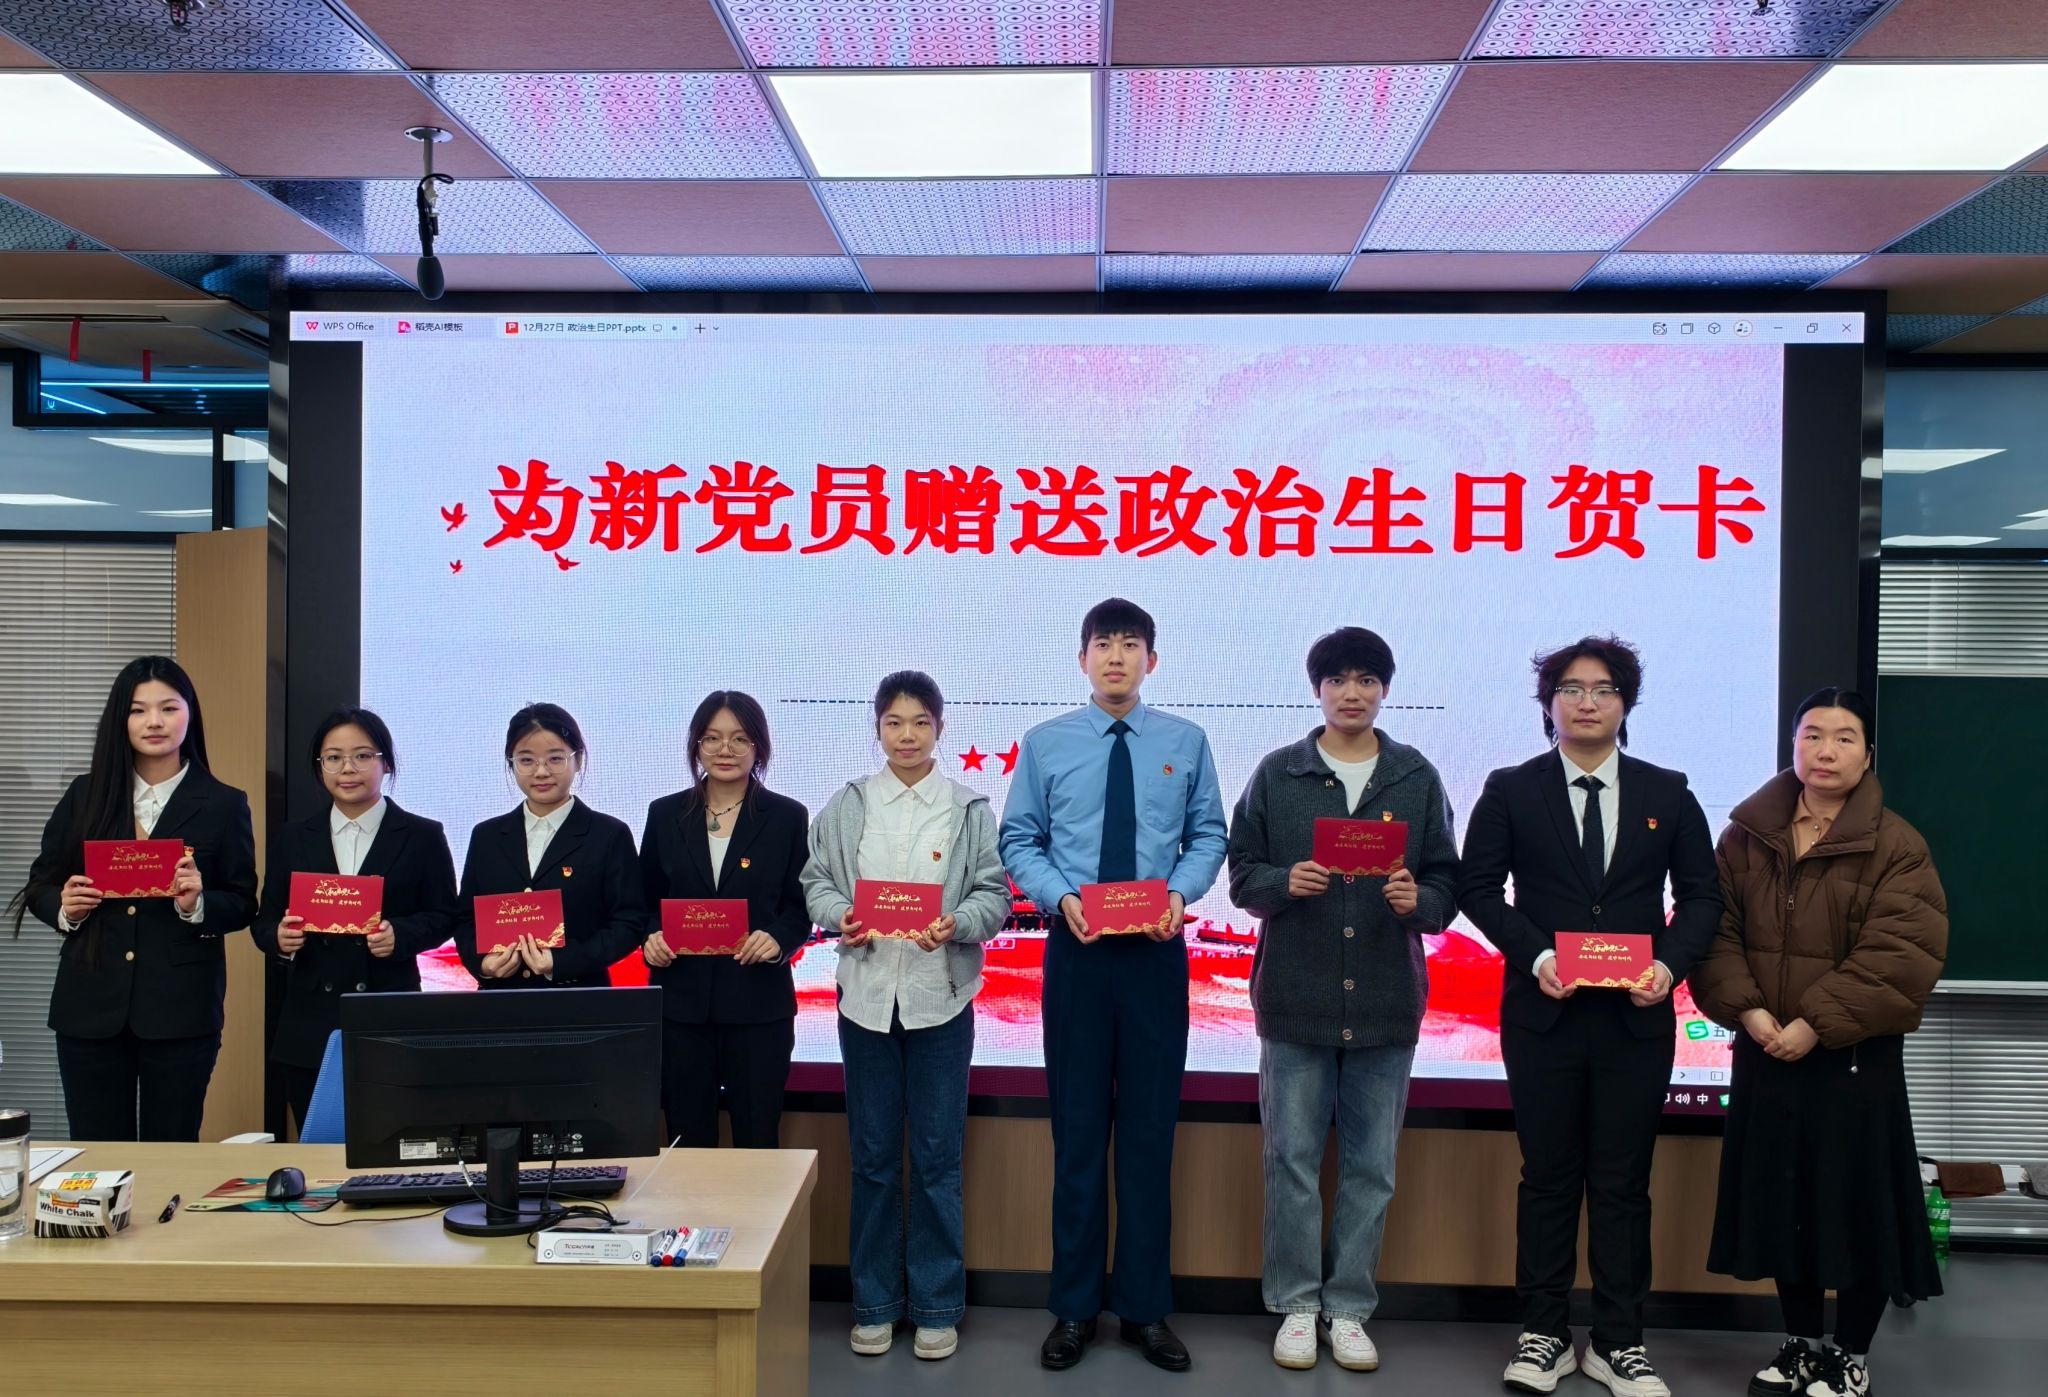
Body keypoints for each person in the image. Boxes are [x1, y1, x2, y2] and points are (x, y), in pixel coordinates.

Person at [1458, 636, 1721, 1397]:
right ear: (1548, 705)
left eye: (1603, 689)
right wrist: (1537, 955)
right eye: (1570, 689)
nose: (1586, 702)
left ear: (1625, 703)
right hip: (1543, 1017)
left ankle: (1618, 1341)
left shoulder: (1668, 792)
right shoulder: (1512, 789)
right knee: (1547, 1177)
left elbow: (1702, 897)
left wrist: (1668, 966)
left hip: (1636, 1021)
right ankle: (1543, 1333)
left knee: (1623, 1182)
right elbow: (1478, 888)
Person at [1690, 689, 1946, 1397]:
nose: (1825, 751)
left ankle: (1851, 1355)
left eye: (1843, 737)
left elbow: (1901, 952)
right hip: (1766, 1049)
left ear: (1868, 754)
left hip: (1854, 1057)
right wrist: (1748, 1011)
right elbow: (1714, 929)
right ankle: (1802, 1343)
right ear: (1794, 744)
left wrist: (1814, 1023)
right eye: (1812, 735)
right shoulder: (1747, 835)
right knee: (1784, 1203)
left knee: (1860, 1207)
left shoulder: (1898, 844)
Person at [999, 598, 1228, 1374]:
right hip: (1079, 953)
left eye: (1131, 645)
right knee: (1078, 1137)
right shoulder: (1047, 743)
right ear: (1083, 658)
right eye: (1104, 644)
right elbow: (1019, 838)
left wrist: (1181, 894)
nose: (1117, 657)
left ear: (1151, 660)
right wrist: (1058, 896)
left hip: (1156, 956)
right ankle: (1073, 1308)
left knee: (1148, 1137)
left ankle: (1144, 1308)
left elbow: (1208, 834)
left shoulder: (1186, 741)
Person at [1226, 627, 1459, 1373]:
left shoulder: (1414, 776)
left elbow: (1447, 882)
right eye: (1337, 680)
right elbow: (1241, 875)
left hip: (1387, 1001)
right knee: (1290, 1159)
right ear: (1317, 689)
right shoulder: (1278, 773)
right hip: (1295, 1000)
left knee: (1372, 1166)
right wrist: (1280, 882)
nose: (1351, 693)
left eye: (1366, 680)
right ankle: (1297, 1304)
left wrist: (1420, 900)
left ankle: (1350, 1307)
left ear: (1384, 689)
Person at [799, 671, 1011, 1362]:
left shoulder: (967, 808)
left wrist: (957, 924)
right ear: (878, 728)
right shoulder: (849, 804)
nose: (908, 735)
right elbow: (816, 882)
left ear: (939, 728)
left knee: (938, 1160)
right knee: (873, 1160)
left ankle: (937, 1305)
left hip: (940, 1001)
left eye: (920, 722)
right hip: (866, 1002)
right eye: (894, 722)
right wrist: (841, 916)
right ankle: (875, 1303)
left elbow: (993, 895)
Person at [10, 656, 257, 1141]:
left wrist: (197, 904)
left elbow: (243, 902)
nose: (154, 722)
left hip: (181, 1011)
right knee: (99, 1150)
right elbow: (40, 884)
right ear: (119, 720)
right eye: (138, 710)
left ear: (190, 714)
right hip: (90, 1006)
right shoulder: (85, 795)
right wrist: (65, 906)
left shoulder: (225, 803)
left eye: (169, 708)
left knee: (173, 1148)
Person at [249, 708, 457, 1132]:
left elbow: (444, 915)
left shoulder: (422, 835)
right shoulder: (294, 837)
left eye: (363, 756)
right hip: (310, 1024)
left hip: (388, 1012)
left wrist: (401, 935)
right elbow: (264, 920)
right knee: (320, 1143)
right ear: (320, 766)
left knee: (391, 1140)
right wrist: (280, 937)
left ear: (386, 763)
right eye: (334, 758)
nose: (348, 768)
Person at [640, 691, 811, 1149]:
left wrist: (778, 940)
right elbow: (643, 902)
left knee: (757, 1143)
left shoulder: (787, 817)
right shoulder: (664, 814)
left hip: (758, 1008)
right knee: (688, 1145)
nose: (725, 749)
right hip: (681, 1008)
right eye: (712, 738)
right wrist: (650, 935)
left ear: (759, 746)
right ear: (696, 745)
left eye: (740, 738)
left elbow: (801, 907)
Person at [452, 703, 644, 991]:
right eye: (526, 760)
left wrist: (561, 962)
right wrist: (483, 964)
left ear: (578, 760)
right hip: (500, 1001)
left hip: (581, 1000)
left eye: (555, 759)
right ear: (511, 764)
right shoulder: (487, 837)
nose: (541, 772)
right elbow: (465, 919)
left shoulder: (608, 834)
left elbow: (628, 923)